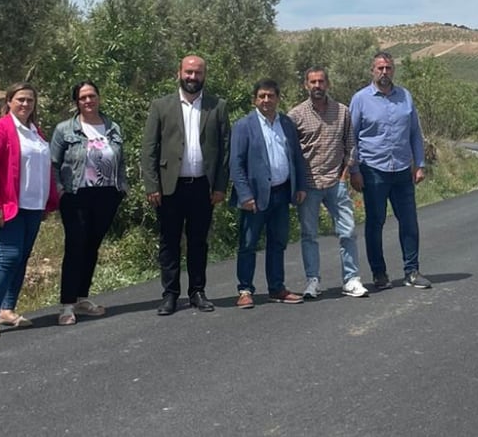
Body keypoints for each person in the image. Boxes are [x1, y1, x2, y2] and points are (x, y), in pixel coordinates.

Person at [141, 55, 230, 315]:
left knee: (198, 241)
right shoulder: (161, 106)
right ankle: (170, 294)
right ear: (179, 72)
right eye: (188, 72)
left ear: (205, 75)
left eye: (198, 73)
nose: (193, 77)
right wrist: (151, 185)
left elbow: (225, 150)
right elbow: (149, 149)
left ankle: (197, 292)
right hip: (170, 188)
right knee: (169, 242)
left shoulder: (217, 106)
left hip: (203, 186)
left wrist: (220, 186)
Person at [0, 83, 60, 339]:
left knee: (21, 257)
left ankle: (6, 310)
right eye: (20, 99)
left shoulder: (35, 132)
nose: (25, 104)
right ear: (9, 101)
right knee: (8, 256)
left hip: (31, 207)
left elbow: (43, 169)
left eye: (30, 100)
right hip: (3, 208)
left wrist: (46, 202)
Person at [349, 52, 431, 290]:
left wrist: (420, 164)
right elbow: (351, 137)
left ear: (393, 70)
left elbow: (415, 132)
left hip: (402, 169)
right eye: (380, 68)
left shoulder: (405, 97)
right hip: (373, 169)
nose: (384, 72)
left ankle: (412, 271)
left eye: (388, 68)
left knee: (409, 222)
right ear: (372, 71)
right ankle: (379, 274)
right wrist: (354, 170)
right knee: (375, 223)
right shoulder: (361, 99)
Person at [50, 81, 127, 326]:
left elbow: (120, 159)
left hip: (106, 195)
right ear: (77, 102)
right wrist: (60, 191)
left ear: (99, 98)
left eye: (92, 96)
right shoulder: (65, 130)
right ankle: (67, 305)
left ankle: (82, 298)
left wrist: (121, 188)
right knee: (75, 246)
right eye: (82, 97)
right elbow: (52, 163)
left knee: (92, 246)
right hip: (76, 195)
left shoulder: (112, 126)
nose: (88, 101)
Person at [287, 67, 369, 299]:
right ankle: (313, 280)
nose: (317, 86)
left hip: (336, 182)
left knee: (348, 231)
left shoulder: (342, 112)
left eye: (321, 82)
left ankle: (351, 279)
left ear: (328, 84)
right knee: (309, 235)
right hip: (309, 185)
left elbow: (350, 144)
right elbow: (291, 152)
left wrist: (347, 173)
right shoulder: (296, 115)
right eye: (313, 82)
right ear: (306, 85)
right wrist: (298, 184)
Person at [230, 79, 308, 307]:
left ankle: (277, 288)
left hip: (282, 193)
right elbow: (236, 164)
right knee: (248, 244)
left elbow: (297, 157)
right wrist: (244, 195)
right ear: (255, 99)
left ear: (277, 98)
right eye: (262, 96)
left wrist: (300, 186)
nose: (266, 100)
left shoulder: (286, 123)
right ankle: (245, 290)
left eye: (270, 96)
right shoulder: (244, 126)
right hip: (254, 197)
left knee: (278, 242)